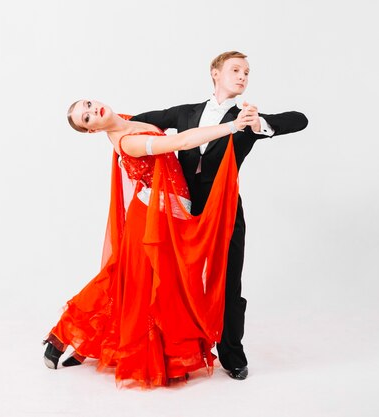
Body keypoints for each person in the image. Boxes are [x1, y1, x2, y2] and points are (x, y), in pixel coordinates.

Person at [43, 99, 254, 387]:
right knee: (128, 282)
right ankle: (66, 335)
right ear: (92, 131)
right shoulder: (127, 142)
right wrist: (231, 126)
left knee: (140, 283)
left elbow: (172, 121)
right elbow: (180, 141)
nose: (94, 111)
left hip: (169, 216)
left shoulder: (130, 119)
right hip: (151, 218)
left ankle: (85, 341)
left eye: (89, 105)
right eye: (88, 118)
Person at [130, 51, 309, 380]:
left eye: (247, 72)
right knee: (170, 279)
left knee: (228, 279)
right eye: (235, 69)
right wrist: (113, 129)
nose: (242, 76)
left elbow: (299, 119)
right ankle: (172, 347)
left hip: (224, 211)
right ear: (215, 73)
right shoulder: (186, 113)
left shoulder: (245, 118)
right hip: (179, 212)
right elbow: (140, 119)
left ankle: (231, 352)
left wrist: (260, 124)